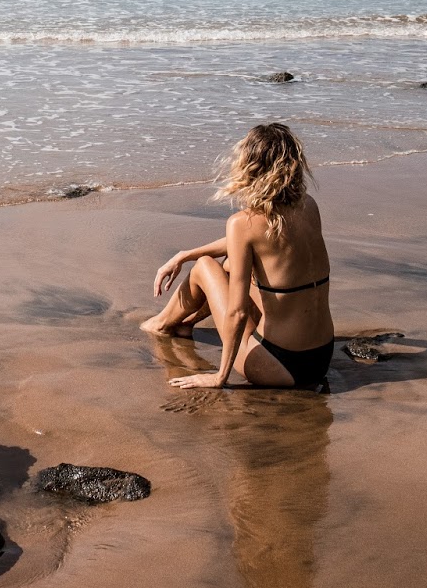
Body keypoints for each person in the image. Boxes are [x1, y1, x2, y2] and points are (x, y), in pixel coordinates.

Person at [141, 123, 335, 390]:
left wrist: (219, 377)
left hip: (278, 364)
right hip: (320, 359)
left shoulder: (242, 223)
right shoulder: (308, 206)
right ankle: (185, 325)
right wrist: (185, 254)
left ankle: (161, 324)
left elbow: (238, 311)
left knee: (204, 267)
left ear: (250, 167)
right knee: (230, 264)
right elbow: (254, 244)